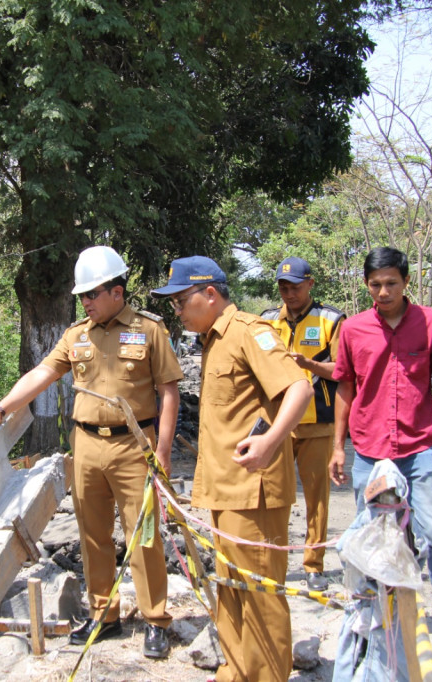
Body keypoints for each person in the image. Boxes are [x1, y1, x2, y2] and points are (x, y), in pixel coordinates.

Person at [0, 245, 182, 659]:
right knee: (92, 535)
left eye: (92, 294)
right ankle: (105, 615)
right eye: (81, 295)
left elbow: (168, 390)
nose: (85, 302)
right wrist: (0, 409)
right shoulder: (75, 334)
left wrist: (164, 451)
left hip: (136, 448)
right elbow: (43, 373)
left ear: (117, 291)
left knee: (145, 535)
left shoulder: (150, 329)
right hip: (86, 446)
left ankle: (155, 620)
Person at [152, 256, 312, 681]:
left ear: (210, 294)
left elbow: (299, 387)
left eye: (182, 301)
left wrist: (270, 440)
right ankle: (236, 671)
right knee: (232, 589)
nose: (178, 311)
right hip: (225, 490)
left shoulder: (247, 333)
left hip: (253, 491)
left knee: (259, 594)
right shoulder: (212, 341)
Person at [329, 246, 432, 655]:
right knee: (368, 535)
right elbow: (345, 388)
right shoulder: (354, 329)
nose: (383, 291)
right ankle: (372, 612)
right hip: (371, 451)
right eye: (375, 284)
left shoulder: (431, 323)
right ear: (366, 285)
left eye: (391, 282)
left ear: (406, 281)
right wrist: (337, 448)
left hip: (418, 448)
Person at [262, 256, 345, 593]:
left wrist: (308, 364)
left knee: (317, 498)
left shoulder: (331, 320)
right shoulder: (266, 321)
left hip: (317, 423)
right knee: (275, 497)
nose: (289, 293)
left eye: (295, 286)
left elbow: (344, 371)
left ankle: (314, 565)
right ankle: (275, 563)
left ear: (310, 284)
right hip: (278, 424)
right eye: (283, 287)